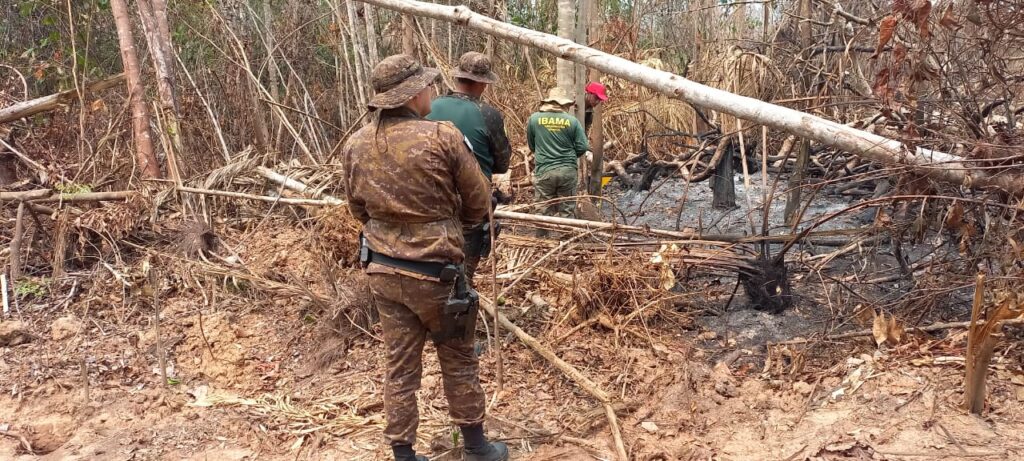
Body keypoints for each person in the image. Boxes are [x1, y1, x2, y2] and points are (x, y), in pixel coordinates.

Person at [341, 54, 509, 461]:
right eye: (428, 86)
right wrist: (451, 222)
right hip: (438, 273)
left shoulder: (357, 143)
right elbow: (478, 201)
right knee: (458, 357)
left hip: (383, 269)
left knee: (399, 365)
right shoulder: (442, 137)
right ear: (415, 94)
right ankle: (476, 447)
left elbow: (356, 208)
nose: (432, 90)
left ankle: (403, 454)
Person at [428, 51, 511, 282]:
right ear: (483, 83)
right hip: (470, 206)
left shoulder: (428, 107)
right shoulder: (487, 114)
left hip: (427, 201)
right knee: (462, 278)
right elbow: (503, 164)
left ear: (457, 78)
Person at [527, 88, 589, 220]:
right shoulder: (572, 121)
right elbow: (583, 146)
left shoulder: (534, 119)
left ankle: (542, 238)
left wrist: (544, 153)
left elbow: (532, 145)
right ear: (564, 104)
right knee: (567, 209)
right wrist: (569, 157)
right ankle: (566, 237)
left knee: (542, 208)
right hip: (567, 171)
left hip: (544, 170)